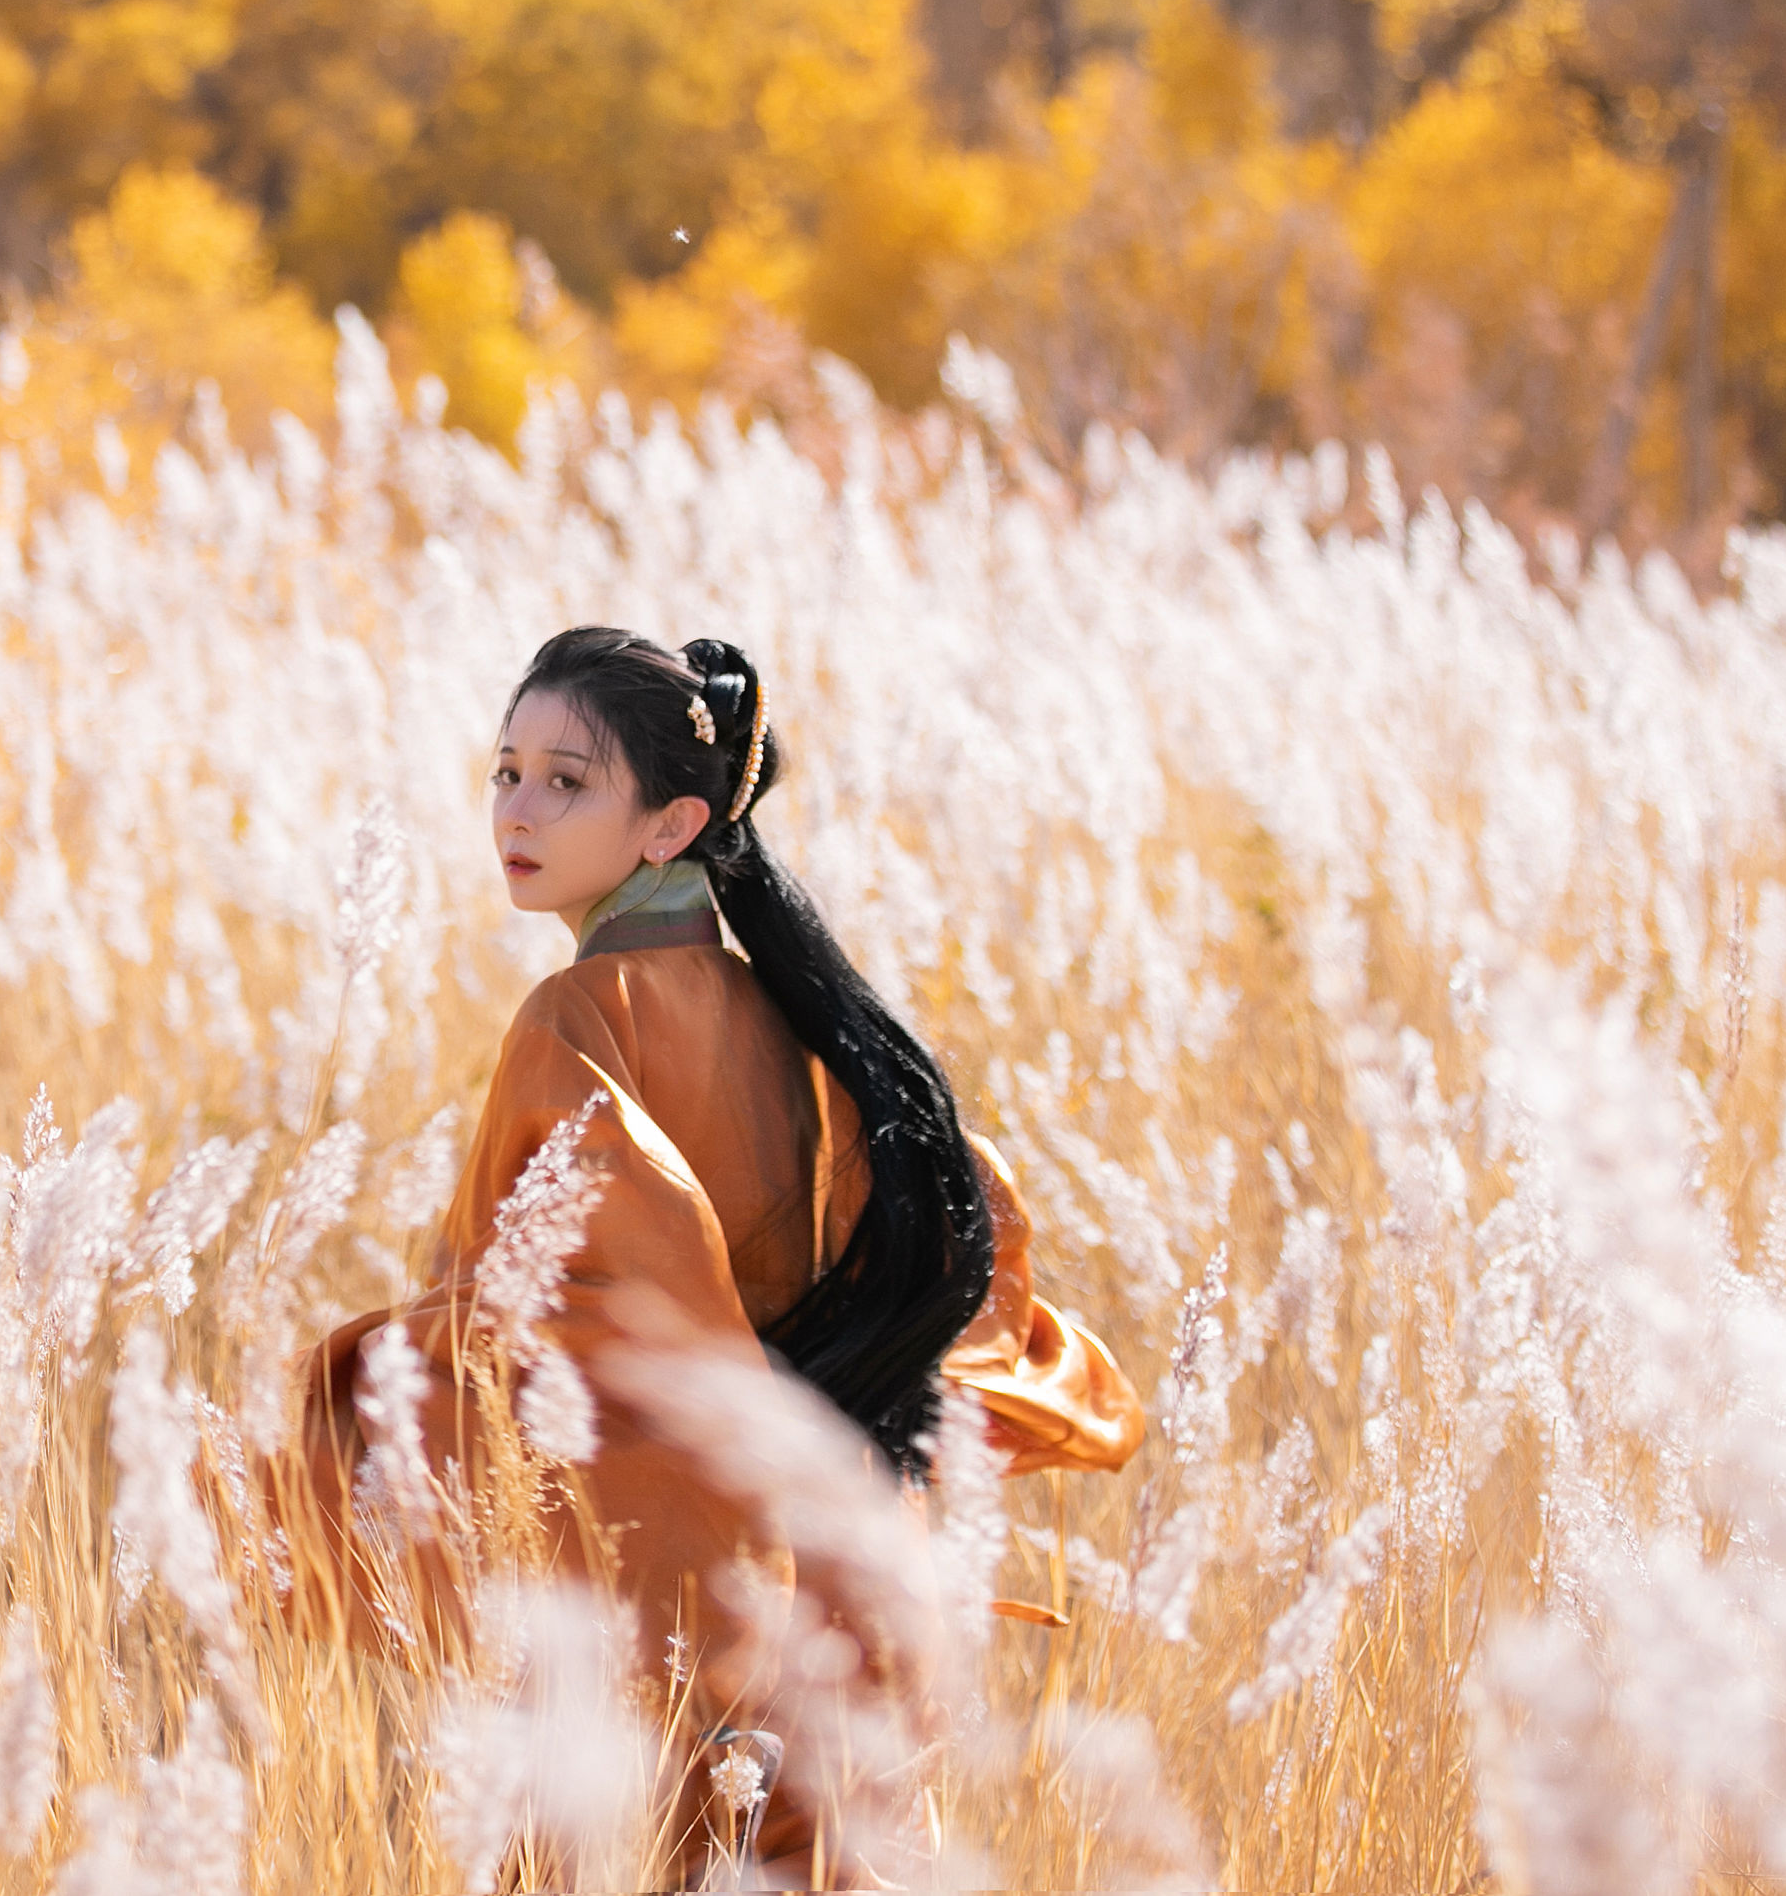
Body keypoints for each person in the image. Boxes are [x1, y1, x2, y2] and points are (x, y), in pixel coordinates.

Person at [265, 625, 1141, 1883]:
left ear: (670, 826)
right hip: (852, 1598)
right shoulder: (812, 1029)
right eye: (504, 772)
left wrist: (313, 1413)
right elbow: (969, 1219)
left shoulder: (573, 1020)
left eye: (567, 782)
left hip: (682, 1610)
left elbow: (554, 1325)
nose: (517, 810)